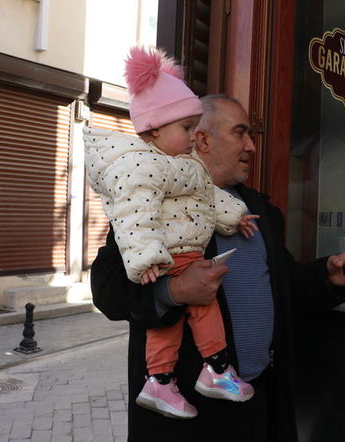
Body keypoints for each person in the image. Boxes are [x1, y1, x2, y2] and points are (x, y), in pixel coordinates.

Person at [90, 93, 345, 441]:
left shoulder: (260, 212)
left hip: (257, 403)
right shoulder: (154, 204)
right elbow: (106, 288)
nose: (251, 146)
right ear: (203, 139)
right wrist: (172, 291)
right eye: (240, 133)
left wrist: (327, 275)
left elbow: (284, 285)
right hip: (191, 419)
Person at [85, 47, 259, 420]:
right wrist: (164, 283)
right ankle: (188, 375)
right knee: (182, 319)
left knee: (194, 315)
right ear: (155, 129)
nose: (194, 136)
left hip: (253, 412)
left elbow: (208, 196)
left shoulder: (191, 171)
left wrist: (237, 215)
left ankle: (180, 377)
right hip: (183, 430)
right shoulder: (141, 168)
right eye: (188, 129)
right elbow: (134, 216)